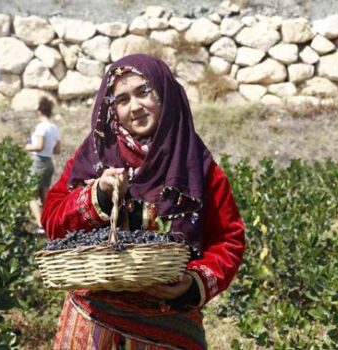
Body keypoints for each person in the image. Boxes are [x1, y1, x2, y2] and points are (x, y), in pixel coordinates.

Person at [41, 54, 246, 349]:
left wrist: (192, 282)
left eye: (143, 92)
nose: (134, 107)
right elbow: (52, 219)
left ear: (164, 94)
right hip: (94, 320)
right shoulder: (95, 156)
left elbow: (228, 239)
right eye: (122, 100)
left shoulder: (198, 167)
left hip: (168, 322)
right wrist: (97, 193)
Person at [25, 97, 61, 234]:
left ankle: (41, 225)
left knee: (30, 195)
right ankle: (49, 223)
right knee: (44, 195)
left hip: (38, 161)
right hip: (49, 162)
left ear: (39, 111)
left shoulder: (41, 127)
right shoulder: (54, 128)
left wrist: (28, 147)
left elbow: (39, 146)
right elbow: (57, 150)